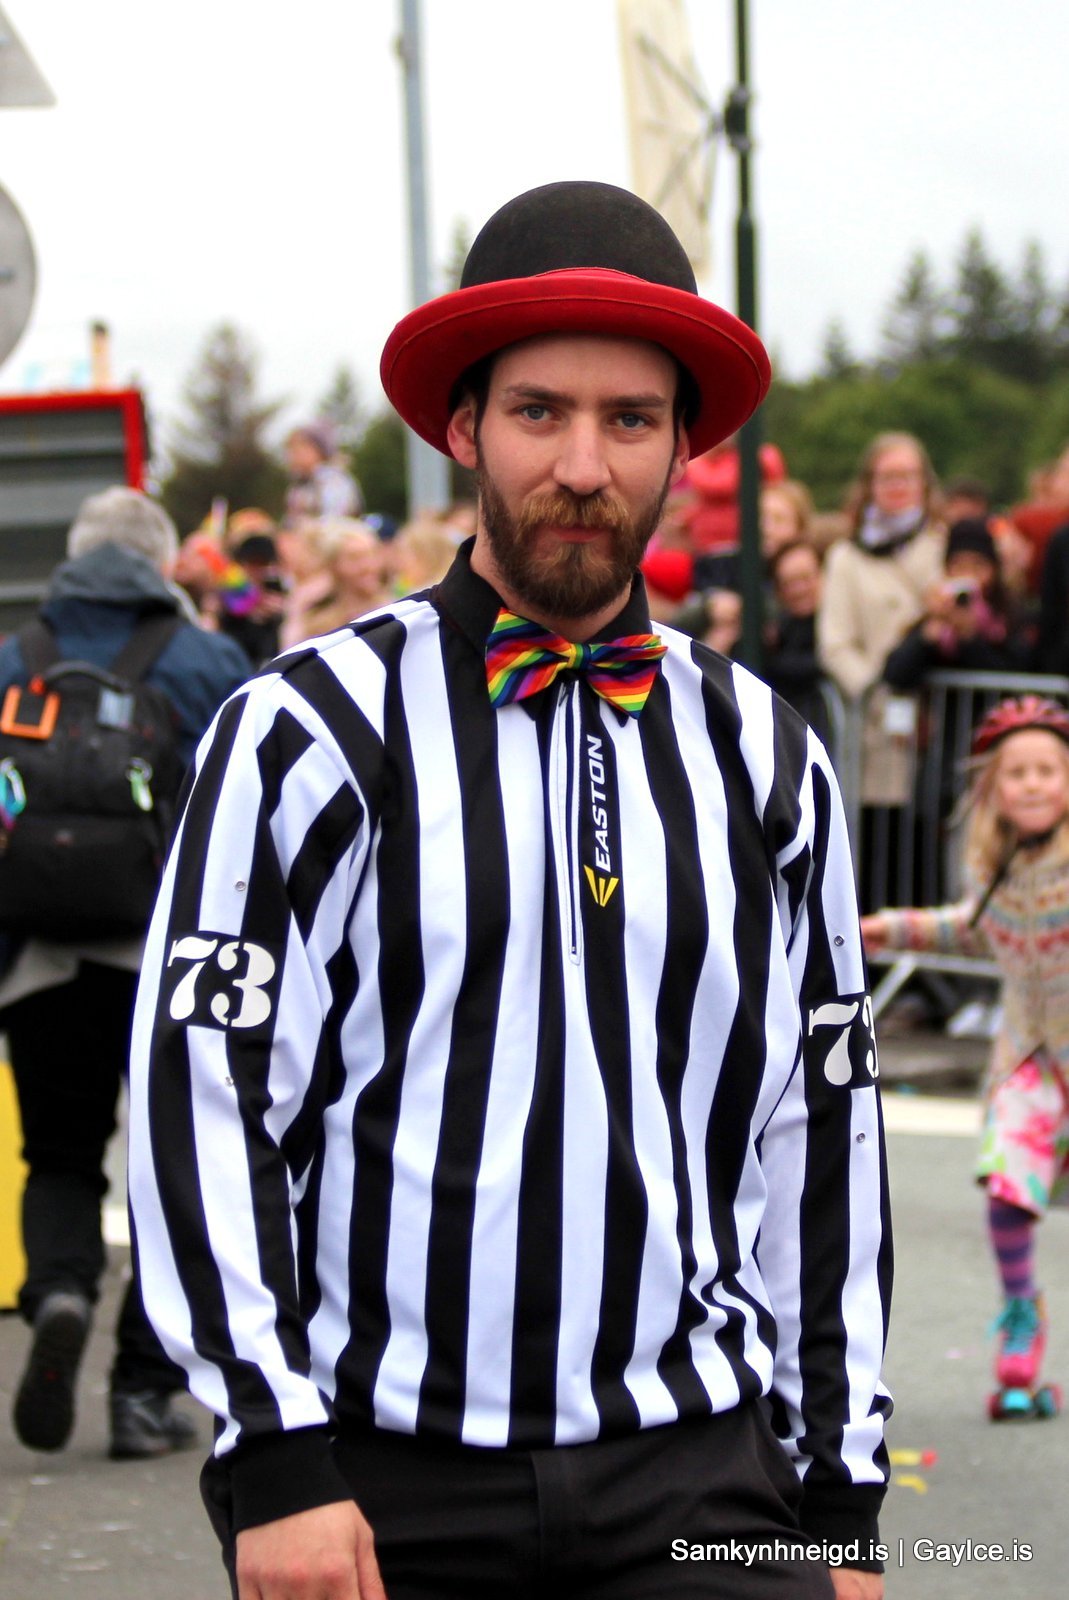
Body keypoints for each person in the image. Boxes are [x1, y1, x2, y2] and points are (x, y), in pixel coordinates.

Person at [129, 181, 891, 1600]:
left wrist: (842, 1494)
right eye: (540, 411)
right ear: (464, 427)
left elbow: (822, 1126)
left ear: (681, 448)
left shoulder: (765, 755)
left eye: (630, 419)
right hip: (385, 1482)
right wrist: (273, 1459)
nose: (585, 466)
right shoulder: (303, 730)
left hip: (701, 1472)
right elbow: (206, 1091)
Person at [0, 487, 251, 1460]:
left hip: (39, 953)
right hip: (169, 956)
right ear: (161, 562)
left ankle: (61, 1288)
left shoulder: (15, 658)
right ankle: (142, 1393)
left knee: (59, 1152)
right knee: (168, 1170)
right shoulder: (202, 660)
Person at [861, 695, 1069, 1416]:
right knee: (1007, 1190)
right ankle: (1021, 1314)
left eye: (1047, 770)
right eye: (1017, 772)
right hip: (1028, 1060)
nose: (1033, 783)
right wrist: (885, 929)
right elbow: (967, 930)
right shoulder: (994, 871)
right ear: (992, 790)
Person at [284, 421, 363, 526]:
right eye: (290, 448)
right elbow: (290, 523)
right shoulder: (299, 486)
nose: (292, 454)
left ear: (318, 450)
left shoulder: (335, 481)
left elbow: (334, 522)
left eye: (299, 447)